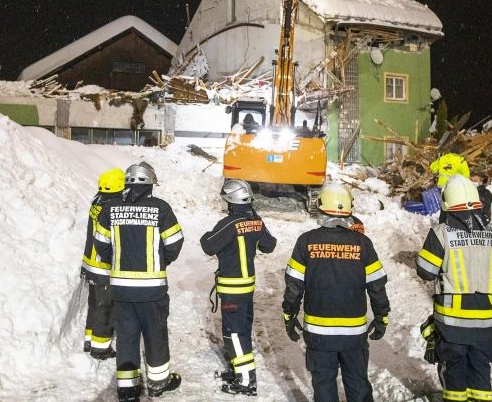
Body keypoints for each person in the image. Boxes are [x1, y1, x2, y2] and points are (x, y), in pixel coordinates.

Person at [283, 184, 390, 402]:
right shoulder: (363, 243)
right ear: (350, 210)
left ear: (320, 207)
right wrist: (382, 317)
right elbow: (377, 285)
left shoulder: (306, 241)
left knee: (323, 385)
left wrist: (289, 315)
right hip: (353, 335)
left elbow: (294, 286)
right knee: (358, 384)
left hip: (319, 334)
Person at [416, 175, 492, 402]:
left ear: (447, 205)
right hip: (486, 323)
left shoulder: (441, 234)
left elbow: (425, 271)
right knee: (480, 370)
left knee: (454, 371)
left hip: (452, 324)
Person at [94, 162, 184, 402]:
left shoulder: (110, 209)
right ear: (151, 183)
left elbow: (100, 243)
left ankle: (127, 388)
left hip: (121, 289)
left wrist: (116, 261)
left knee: (126, 337)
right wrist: (160, 262)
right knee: (155, 336)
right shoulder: (161, 209)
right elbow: (175, 242)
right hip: (152, 290)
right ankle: (158, 382)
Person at [200, 179, 277, 396]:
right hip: (247, 288)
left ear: (231, 201)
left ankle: (245, 380)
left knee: (233, 333)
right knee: (242, 330)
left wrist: (206, 234)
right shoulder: (256, 221)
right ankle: (238, 370)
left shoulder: (229, 223)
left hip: (232, 288)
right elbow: (269, 245)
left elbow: (208, 245)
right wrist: (256, 226)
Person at [80, 167, 125, 360]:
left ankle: (89, 340)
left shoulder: (97, 201)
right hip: (103, 266)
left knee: (94, 303)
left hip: (90, 263)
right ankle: (100, 348)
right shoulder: (113, 207)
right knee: (105, 307)